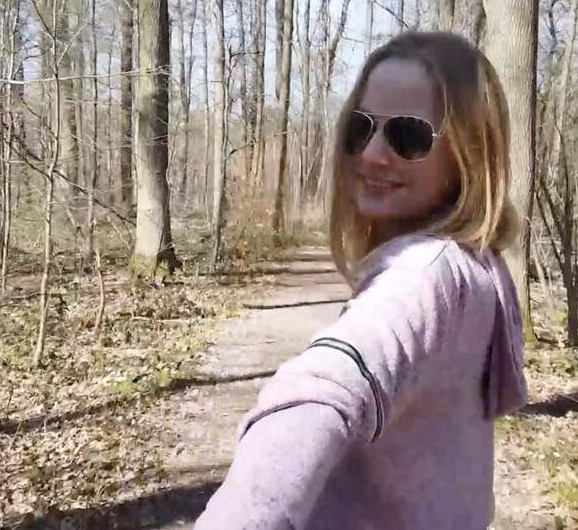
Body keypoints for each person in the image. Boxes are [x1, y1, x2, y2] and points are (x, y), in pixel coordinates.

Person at [193, 31, 528, 530]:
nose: (371, 154)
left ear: (469, 154)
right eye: (361, 127)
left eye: (408, 136)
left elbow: (322, 391)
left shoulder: (424, 276)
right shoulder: (476, 268)